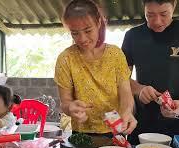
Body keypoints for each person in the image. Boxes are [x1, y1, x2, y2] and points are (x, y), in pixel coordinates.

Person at [122, 0, 179, 144]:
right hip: (142, 122)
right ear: (143, 9)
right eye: (150, 15)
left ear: (174, 6)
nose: (157, 21)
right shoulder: (133, 36)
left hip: (178, 122)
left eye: (164, 14)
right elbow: (121, 78)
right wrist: (139, 89)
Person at [54, 0, 137, 136]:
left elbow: (126, 94)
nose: (82, 39)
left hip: (114, 130)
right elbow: (65, 102)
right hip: (82, 133)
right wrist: (70, 107)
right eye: (75, 33)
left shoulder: (115, 54)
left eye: (88, 30)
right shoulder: (66, 58)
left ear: (98, 23)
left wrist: (126, 112)